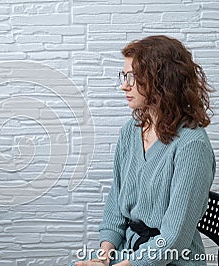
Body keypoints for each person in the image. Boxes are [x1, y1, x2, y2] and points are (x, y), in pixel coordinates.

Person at [72, 35, 216, 265]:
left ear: (162, 81)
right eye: (124, 76)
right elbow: (116, 202)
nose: (123, 85)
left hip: (172, 258)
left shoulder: (192, 145)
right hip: (129, 251)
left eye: (133, 77)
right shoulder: (131, 131)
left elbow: (174, 238)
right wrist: (104, 256)